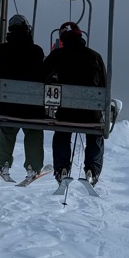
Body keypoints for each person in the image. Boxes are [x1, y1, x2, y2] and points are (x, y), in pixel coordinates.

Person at [44, 22, 109, 184]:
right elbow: (104, 86)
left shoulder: (57, 55)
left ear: (62, 38)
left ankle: (62, 168)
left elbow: (42, 77)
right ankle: (92, 170)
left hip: (66, 112)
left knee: (62, 132)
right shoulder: (95, 56)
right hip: (91, 113)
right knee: (95, 134)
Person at [0, 14, 46, 181]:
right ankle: (33, 167)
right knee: (34, 131)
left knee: (6, 130)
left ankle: (3, 163)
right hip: (32, 108)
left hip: (8, 105)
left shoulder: (2, 50)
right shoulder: (36, 52)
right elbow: (43, 74)